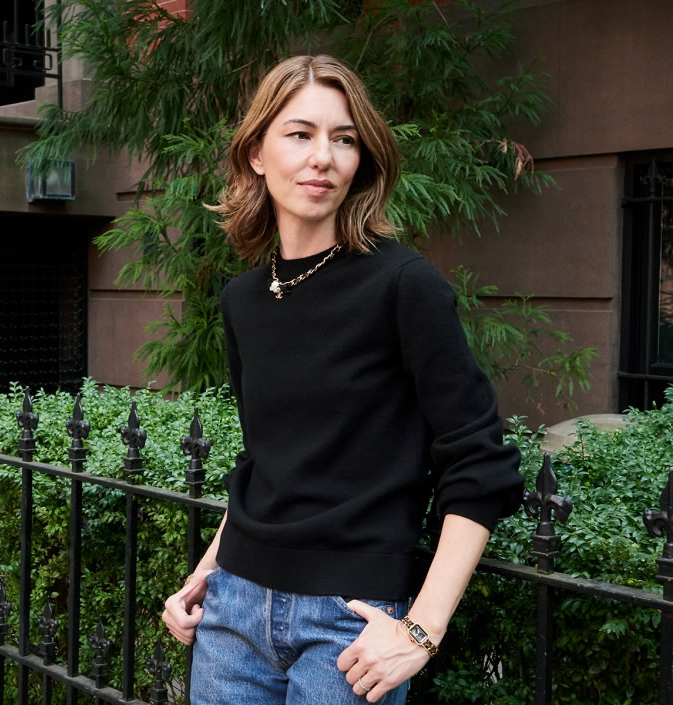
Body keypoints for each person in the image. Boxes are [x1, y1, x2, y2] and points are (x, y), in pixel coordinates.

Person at [161, 54, 525, 705]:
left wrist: (421, 628)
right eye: (300, 133)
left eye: (345, 137)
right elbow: (265, 457)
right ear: (255, 153)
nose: (323, 156)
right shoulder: (243, 298)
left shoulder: (405, 286)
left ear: (363, 159)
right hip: (232, 612)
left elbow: (478, 462)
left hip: (345, 628)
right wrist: (207, 568)